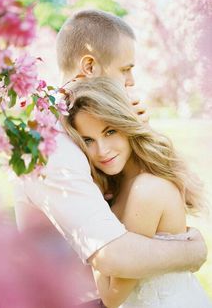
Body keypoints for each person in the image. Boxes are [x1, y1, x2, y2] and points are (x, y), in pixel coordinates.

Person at [14, 9, 207, 307]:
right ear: (89, 65)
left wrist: (135, 133)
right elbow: (112, 255)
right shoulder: (51, 142)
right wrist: (193, 251)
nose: (130, 81)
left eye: (111, 131)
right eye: (125, 69)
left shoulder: (75, 122)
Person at [63, 76, 212, 308]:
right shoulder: (120, 184)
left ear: (127, 125)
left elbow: (112, 297)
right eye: (88, 140)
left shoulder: (147, 190)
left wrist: (87, 219)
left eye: (110, 131)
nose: (102, 151)